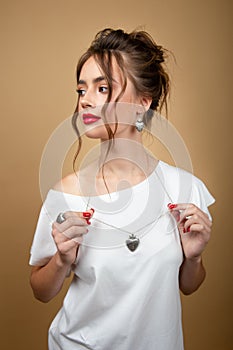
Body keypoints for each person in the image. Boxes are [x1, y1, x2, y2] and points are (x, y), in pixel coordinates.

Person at [29, 28, 215, 350]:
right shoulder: (66, 194)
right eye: (81, 89)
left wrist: (194, 258)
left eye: (103, 88)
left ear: (143, 103)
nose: (85, 99)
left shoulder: (184, 189)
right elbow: (40, 290)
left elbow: (189, 286)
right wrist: (61, 260)